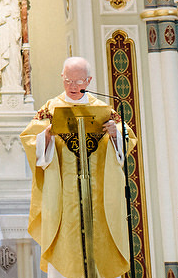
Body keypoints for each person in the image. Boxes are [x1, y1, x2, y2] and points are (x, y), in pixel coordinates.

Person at [18, 57, 137, 278]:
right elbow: (30, 140)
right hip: (64, 197)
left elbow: (127, 141)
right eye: (67, 80)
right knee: (65, 244)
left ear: (89, 80)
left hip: (98, 195)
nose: (72, 86)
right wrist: (47, 134)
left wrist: (115, 134)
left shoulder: (103, 109)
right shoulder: (51, 108)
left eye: (78, 80)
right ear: (62, 77)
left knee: (101, 243)